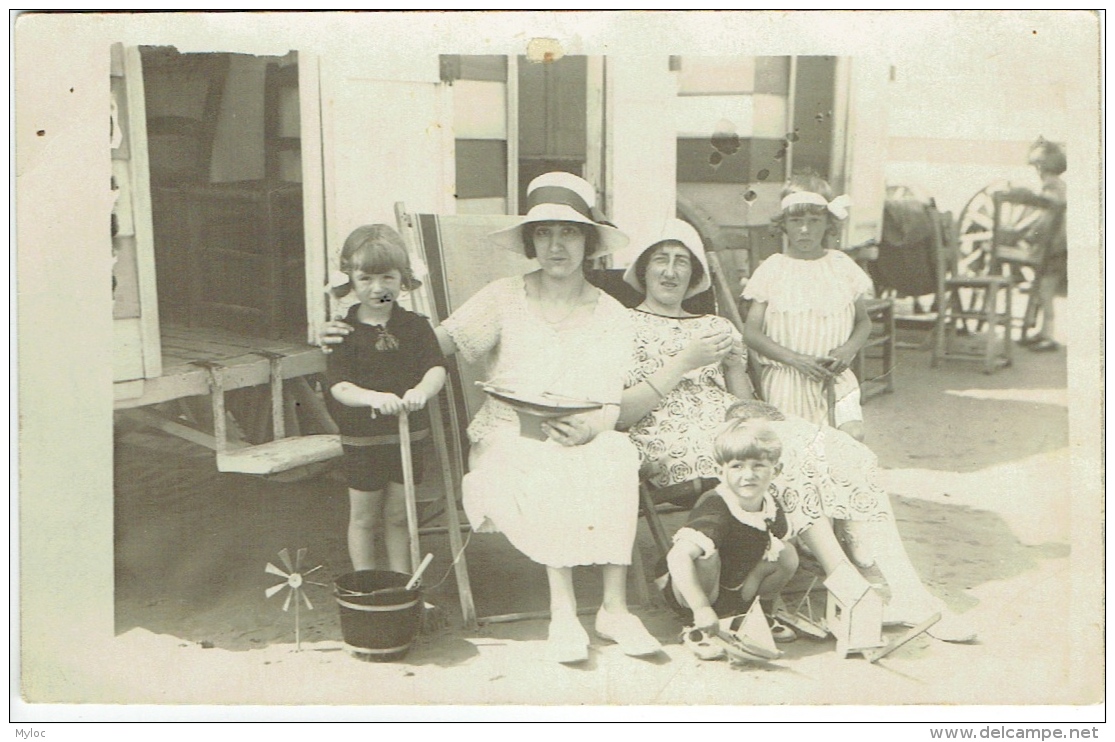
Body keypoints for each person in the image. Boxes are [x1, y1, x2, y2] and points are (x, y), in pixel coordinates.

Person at [320, 173, 661, 664]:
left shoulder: (611, 313)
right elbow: (424, 347)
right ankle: (563, 612)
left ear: (589, 242)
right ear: (530, 242)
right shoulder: (503, 297)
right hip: (506, 434)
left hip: (581, 432)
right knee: (542, 463)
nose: (556, 245)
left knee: (617, 451)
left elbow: (610, 401)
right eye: (543, 233)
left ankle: (614, 608)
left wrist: (593, 426)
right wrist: (348, 333)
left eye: (568, 232)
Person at [617, 220, 976, 643]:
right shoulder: (620, 326)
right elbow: (620, 414)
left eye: (682, 262)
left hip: (735, 425)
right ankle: (857, 589)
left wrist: (734, 366)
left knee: (848, 452)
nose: (671, 271)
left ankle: (896, 585)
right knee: (786, 462)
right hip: (673, 438)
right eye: (661, 259)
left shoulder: (713, 324)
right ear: (642, 269)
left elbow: (741, 400)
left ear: (694, 274)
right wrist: (684, 362)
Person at [325, 225, 447, 575]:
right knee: (363, 518)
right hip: (363, 440)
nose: (377, 288)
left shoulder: (415, 327)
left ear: (402, 279)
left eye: (387, 277)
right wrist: (373, 398)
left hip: (408, 436)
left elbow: (435, 367)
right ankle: (367, 586)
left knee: (399, 515)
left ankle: (402, 583)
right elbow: (339, 386)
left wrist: (421, 391)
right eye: (365, 279)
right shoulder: (342, 332)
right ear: (350, 279)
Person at [742, 173, 874, 441]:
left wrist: (848, 350)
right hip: (787, 376)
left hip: (835, 375)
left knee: (851, 436)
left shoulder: (841, 265)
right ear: (784, 224)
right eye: (796, 220)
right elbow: (751, 334)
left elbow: (864, 321)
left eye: (814, 221)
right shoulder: (773, 269)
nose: (805, 229)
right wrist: (796, 360)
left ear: (828, 223)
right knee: (798, 443)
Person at [657, 419, 799, 660]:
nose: (748, 475)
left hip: (737, 584)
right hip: (696, 589)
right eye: (737, 466)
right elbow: (678, 557)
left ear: (776, 470)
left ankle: (757, 614)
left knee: (787, 552)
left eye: (758, 465)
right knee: (706, 555)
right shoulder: (716, 506)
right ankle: (695, 626)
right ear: (719, 471)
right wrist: (701, 607)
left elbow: (777, 545)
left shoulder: (770, 505)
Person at [1017, 139, 1067, 353]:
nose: (1037, 171)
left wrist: (1027, 232)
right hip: (1052, 246)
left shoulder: (1053, 186)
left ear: (1045, 167)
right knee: (1041, 291)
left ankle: (1049, 337)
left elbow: (1051, 212)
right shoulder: (1056, 185)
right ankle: (1043, 333)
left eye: (1039, 167)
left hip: (1053, 248)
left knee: (1046, 293)